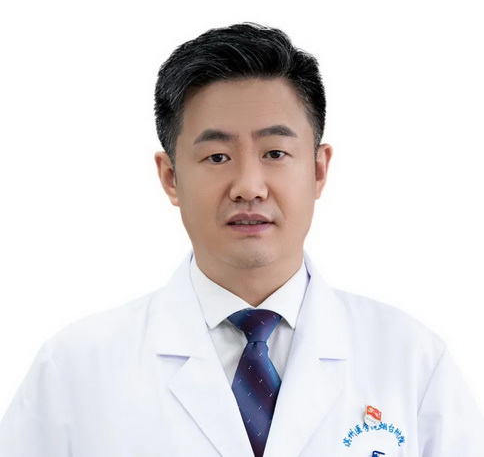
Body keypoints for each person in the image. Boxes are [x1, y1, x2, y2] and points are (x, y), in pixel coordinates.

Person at [0, 23, 482, 457]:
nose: (249, 186)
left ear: (318, 170)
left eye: (275, 152)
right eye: (217, 157)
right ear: (170, 177)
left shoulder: (412, 360)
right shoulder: (74, 370)